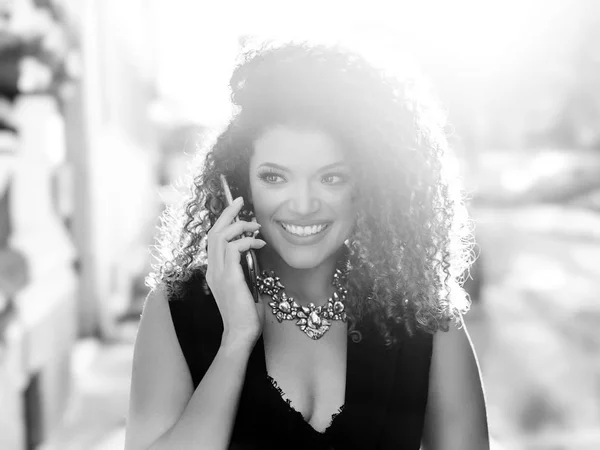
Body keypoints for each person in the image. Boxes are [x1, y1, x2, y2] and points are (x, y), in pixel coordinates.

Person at [125, 41, 489, 450]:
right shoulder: (177, 308)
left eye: (331, 178)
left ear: (372, 185)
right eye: (274, 177)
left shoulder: (423, 317)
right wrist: (236, 342)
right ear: (239, 184)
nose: (302, 205)